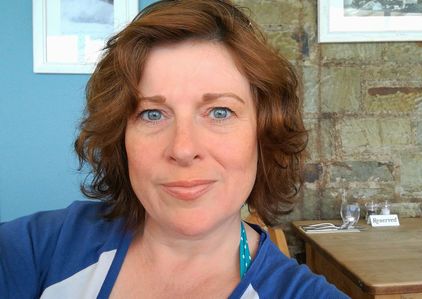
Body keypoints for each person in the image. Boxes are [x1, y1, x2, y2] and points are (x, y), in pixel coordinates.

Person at [0, 1, 348, 298]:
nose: (183, 149)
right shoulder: (38, 249)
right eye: (153, 114)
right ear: (121, 138)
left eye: (220, 112)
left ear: (263, 133)